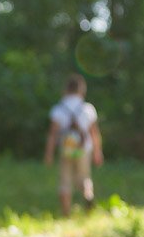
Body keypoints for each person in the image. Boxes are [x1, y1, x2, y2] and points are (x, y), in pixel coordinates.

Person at [43, 74, 104, 217]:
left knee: (65, 181)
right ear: (82, 90)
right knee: (84, 177)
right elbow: (94, 133)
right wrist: (97, 152)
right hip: (84, 149)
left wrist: (49, 154)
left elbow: (52, 135)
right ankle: (88, 195)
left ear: (65, 89)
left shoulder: (58, 109)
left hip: (66, 149)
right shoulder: (87, 109)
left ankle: (66, 214)